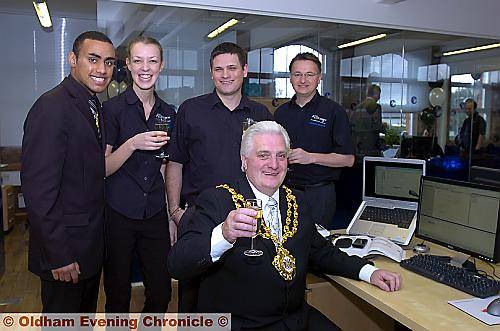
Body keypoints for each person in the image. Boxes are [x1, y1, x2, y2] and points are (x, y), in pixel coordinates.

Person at [168, 121, 401, 330]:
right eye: (263, 155)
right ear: (243, 161)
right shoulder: (217, 200)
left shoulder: (297, 200)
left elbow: (321, 252)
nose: (273, 164)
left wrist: (369, 272)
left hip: (295, 319)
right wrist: (224, 234)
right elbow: (178, 265)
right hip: (241, 324)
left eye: (281, 156)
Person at [166, 42, 272, 311]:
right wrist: (175, 212)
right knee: (192, 299)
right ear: (211, 73)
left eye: (232, 68)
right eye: (219, 69)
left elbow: (271, 167)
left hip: (248, 220)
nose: (225, 74)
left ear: (245, 71)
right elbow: (175, 163)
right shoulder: (191, 110)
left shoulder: (261, 115)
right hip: (199, 217)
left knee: (243, 295)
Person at [21, 31, 115, 313]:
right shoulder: (52, 107)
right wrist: (58, 255)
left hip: (85, 250)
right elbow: (39, 192)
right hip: (64, 255)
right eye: (93, 59)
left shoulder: (91, 104)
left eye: (109, 62)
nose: (102, 69)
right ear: (72, 60)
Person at [102, 36, 174, 313]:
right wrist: (133, 143)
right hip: (118, 213)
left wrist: (170, 215)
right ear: (129, 65)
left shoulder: (168, 113)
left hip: (154, 212)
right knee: (117, 297)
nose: (146, 68)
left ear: (161, 65)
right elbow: (103, 167)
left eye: (152, 61)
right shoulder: (111, 110)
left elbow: (166, 166)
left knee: (161, 294)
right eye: (139, 61)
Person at [274, 52, 354, 229]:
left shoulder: (334, 111)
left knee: (316, 248)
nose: (303, 80)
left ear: (319, 78)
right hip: (284, 191)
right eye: (297, 74)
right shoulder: (281, 113)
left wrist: (311, 157)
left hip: (319, 194)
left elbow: (348, 160)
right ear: (290, 78)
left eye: (309, 74)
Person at [350, 84, 384, 159]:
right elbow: (377, 127)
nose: (379, 97)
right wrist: (384, 127)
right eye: (379, 94)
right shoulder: (375, 107)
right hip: (371, 148)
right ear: (376, 94)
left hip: (357, 148)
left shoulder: (357, 107)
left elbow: (352, 127)